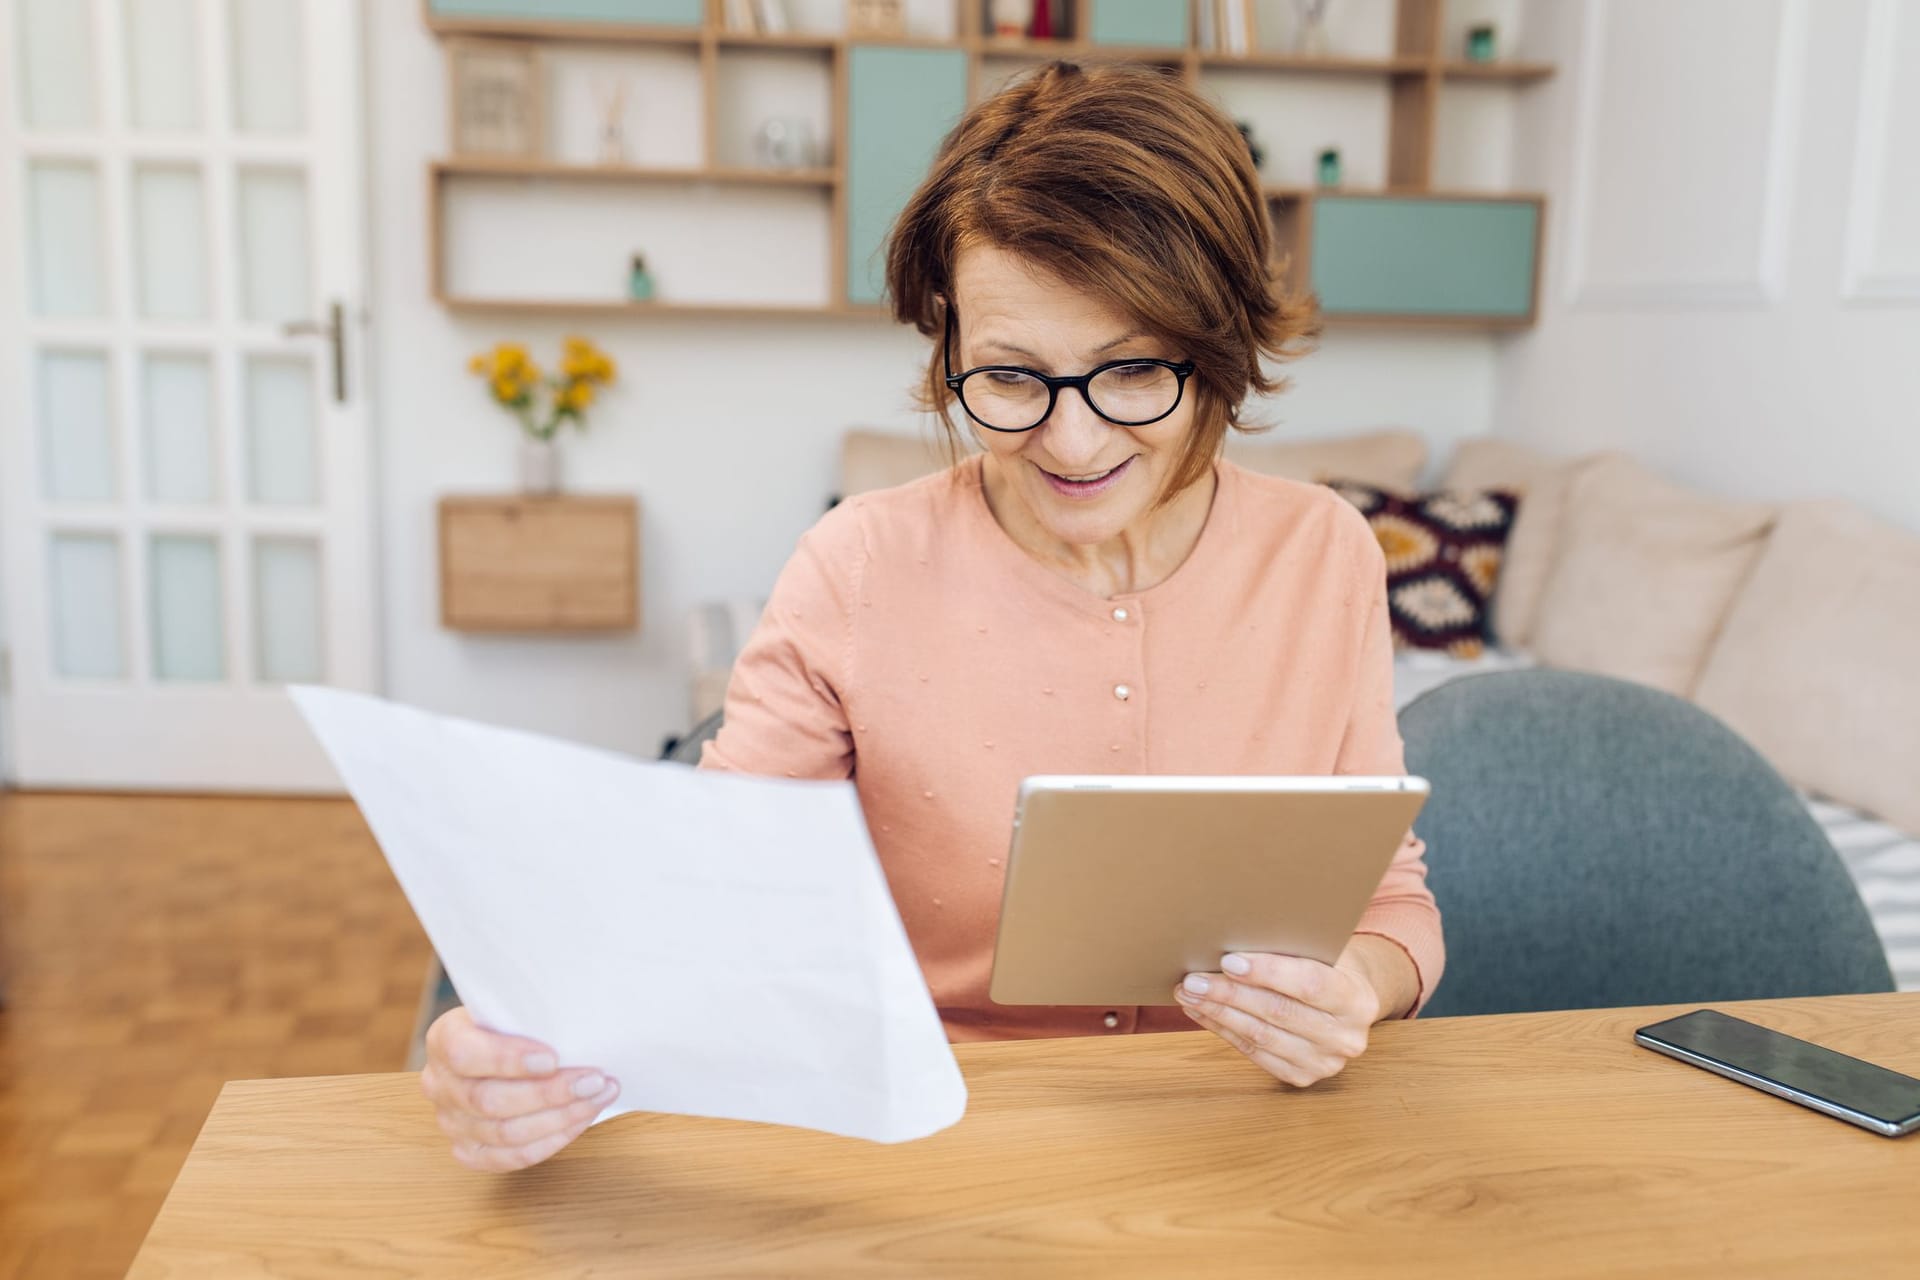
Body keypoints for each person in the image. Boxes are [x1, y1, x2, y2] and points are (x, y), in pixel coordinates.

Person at [422, 61, 1442, 1173]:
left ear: (1220, 345)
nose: (1074, 442)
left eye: (1133, 370)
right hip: (934, 1142)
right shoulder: (858, 563)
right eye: (1010, 376)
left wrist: (1353, 988)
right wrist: (517, 1056)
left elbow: (1389, 901)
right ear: (947, 342)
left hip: (1249, 1148)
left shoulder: (1324, 552)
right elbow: (712, 902)